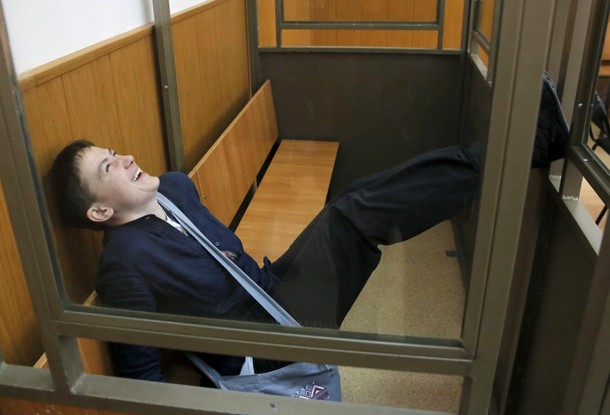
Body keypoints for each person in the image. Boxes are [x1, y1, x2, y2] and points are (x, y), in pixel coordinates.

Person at [48, 73, 568, 382]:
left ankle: (529, 140)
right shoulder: (124, 267)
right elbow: (141, 374)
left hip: (271, 291)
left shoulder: (176, 190)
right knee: (354, 214)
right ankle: (529, 141)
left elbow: (229, 254)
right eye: (108, 168)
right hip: (263, 347)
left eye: (114, 153)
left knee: (350, 203)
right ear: (98, 213)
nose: (126, 159)